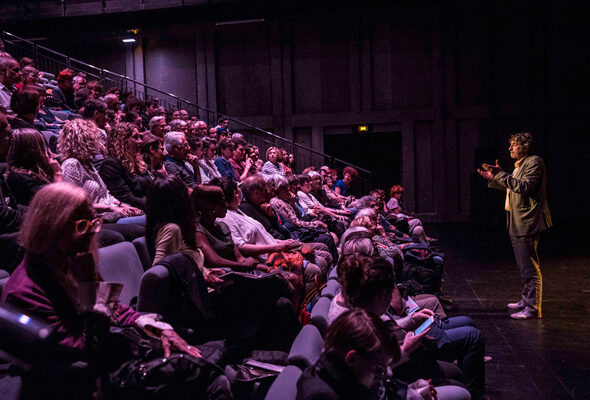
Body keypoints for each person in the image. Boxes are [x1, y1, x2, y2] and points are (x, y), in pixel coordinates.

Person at [0, 182, 232, 399]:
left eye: (93, 224)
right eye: (82, 226)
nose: (91, 234)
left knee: (214, 360)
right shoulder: (24, 293)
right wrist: (90, 282)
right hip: (86, 382)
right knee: (213, 380)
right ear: (50, 229)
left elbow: (114, 309)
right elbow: (86, 349)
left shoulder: (66, 262)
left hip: (109, 358)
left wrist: (155, 327)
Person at [478, 132, 552, 320]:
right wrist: (494, 177)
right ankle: (526, 299)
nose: (510, 148)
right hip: (517, 220)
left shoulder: (534, 162)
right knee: (523, 265)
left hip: (527, 221)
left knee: (529, 267)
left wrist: (500, 174)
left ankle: (533, 307)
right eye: (510, 144)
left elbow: (523, 187)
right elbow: (513, 186)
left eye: (513, 144)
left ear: (524, 146)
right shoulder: (521, 165)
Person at [59, 119, 144, 232]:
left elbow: (106, 195)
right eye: (94, 138)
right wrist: (110, 208)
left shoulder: (87, 164)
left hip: (111, 212)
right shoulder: (71, 165)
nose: (98, 142)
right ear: (83, 140)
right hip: (96, 219)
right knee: (147, 223)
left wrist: (122, 205)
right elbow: (74, 204)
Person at [98, 122, 149, 209]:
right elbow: (125, 197)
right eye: (135, 137)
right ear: (122, 141)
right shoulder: (110, 165)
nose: (140, 141)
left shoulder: (139, 161)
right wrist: (154, 203)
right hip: (134, 209)